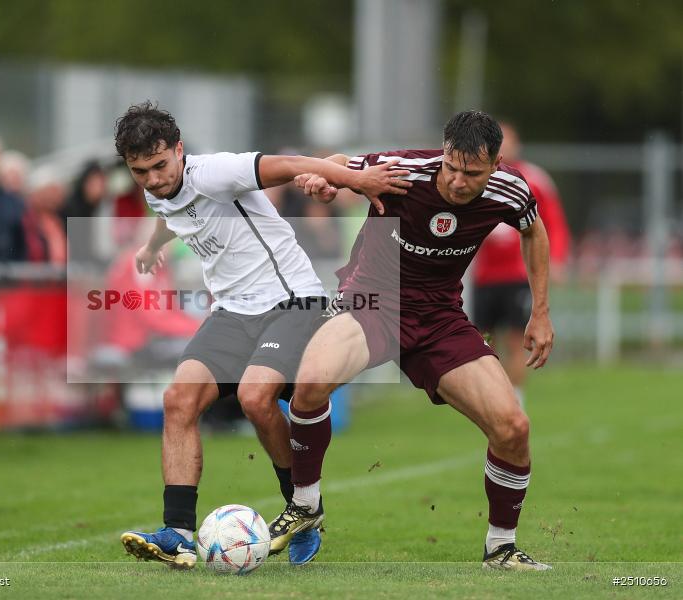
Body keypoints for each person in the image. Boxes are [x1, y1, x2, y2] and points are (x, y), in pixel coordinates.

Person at [113, 101, 410, 568]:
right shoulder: (157, 189)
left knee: (255, 397)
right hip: (232, 312)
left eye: (159, 165)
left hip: (291, 300)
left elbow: (292, 165)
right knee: (178, 400)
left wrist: (359, 180)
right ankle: (177, 533)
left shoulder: (216, 173)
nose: (151, 179)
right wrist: (152, 247)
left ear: (179, 150)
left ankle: (303, 510)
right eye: (139, 171)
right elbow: (169, 214)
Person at [275, 110, 554, 570]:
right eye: (453, 166)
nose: (460, 182)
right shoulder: (404, 171)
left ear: (496, 163)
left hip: (440, 318)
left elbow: (533, 230)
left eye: (473, 173)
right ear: (442, 151)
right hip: (372, 302)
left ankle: (501, 548)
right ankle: (305, 505)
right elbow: (344, 163)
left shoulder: (512, 188)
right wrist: (326, 182)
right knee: (310, 382)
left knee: (513, 428)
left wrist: (541, 312)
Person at [471, 121, 570, 406]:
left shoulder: (535, 178)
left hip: (518, 275)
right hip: (484, 276)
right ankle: (487, 399)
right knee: (481, 342)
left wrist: (559, 260)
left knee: (516, 340)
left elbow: (554, 224)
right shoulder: (477, 178)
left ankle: (515, 400)